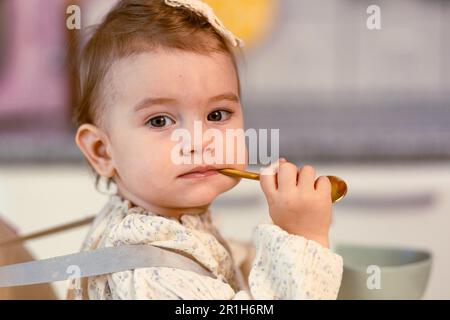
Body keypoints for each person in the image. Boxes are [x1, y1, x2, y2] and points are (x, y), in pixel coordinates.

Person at [68, 0, 343, 300]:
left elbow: (207, 261)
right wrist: (303, 238)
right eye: (160, 121)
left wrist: (261, 251)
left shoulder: (162, 221)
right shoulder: (150, 273)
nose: (198, 142)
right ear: (102, 152)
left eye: (216, 115)